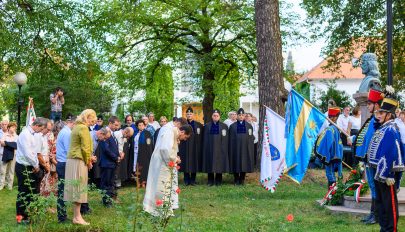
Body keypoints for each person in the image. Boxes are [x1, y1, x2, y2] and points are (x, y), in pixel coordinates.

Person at [367, 94, 404, 232]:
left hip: (386, 174)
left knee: (389, 205)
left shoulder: (391, 129)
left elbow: (390, 152)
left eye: (382, 113)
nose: (379, 115)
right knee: (381, 203)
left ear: (389, 115)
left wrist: (387, 173)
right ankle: (384, 228)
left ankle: (390, 229)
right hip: (378, 172)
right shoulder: (383, 128)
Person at [143, 121, 192, 216]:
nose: (184, 139)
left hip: (162, 160)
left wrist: (175, 157)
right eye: (185, 137)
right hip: (162, 161)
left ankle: (160, 206)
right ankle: (159, 209)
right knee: (161, 185)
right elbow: (165, 149)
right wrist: (174, 160)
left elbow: (170, 149)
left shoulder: (172, 131)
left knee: (162, 184)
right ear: (182, 132)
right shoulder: (169, 131)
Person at [353, 88, 383, 225]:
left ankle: (376, 215)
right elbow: (365, 137)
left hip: (373, 159)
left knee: (374, 186)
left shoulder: (378, 119)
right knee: (372, 186)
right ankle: (372, 214)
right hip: (367, 158)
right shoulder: (372, 119)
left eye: (370, 103)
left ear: (376, 104)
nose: (368, 106)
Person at [64, 109, 96, 225]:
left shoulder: (76, 127)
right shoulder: (83, 128)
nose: (93, 123)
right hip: (78, 161)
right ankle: (77, 217)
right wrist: (89, 161)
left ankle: (76, 216)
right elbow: (85, 148)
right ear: (87, 118)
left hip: (73, 160)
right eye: (92, 120)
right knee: (79, 188)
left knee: (75, 188)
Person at [15, 117, 48, 224]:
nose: (42, 131)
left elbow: (34, 151)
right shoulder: (25, 134)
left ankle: (28, 215)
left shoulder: (34, 134)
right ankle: (20, 218)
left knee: (31, 191)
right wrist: (36, 166)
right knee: (23, 192)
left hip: (31, 166)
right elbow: (28, 154)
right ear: (37, 125)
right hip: (23, 166)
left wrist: (35, 164)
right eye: (42, 128)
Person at [315, 107, 343, 188]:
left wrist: (326, 156)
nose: (329, 118)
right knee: (335, 174)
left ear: (336, 117)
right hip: (336, 154)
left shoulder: (330, 129)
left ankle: (331, 194)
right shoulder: (336, 128)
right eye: (329, 116)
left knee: (330, 174)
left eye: (332, 116)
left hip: (330, 155)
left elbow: (329, 144)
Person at [55, 115, 75, 223]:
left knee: (64, 190)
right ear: (73, 123)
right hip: (64, 164)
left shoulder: (64, 131)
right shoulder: (67, 133)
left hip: (62, 163)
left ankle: (62, 215)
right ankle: (62, 217)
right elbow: (70, 151)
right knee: (63, 191)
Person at [99, 116, 122, 207]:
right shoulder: (104, 132)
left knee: (110, 182)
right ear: (110, 123)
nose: (117, 127)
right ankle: (106, 201)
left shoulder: (112, 133)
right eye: (115, 125)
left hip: (111, 163)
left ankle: (109, 199)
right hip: (107, 163)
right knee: (106, 183)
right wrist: (115, 158)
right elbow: (106, 149)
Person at [202, 109, 229, 186]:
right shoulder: (207, 126)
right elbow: (205, 138)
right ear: (212, 116)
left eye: (217, 116)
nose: (215, 117)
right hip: (210, 149)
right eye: (214, 115)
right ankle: (210, 181)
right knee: (210, 164)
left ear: (219, 117)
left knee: (219, 165)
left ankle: (218, 181)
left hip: (220, 149)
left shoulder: (224, 126)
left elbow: (226, 139)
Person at [228, 108, 254, 185]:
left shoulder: (249, 126)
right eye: (239, 115)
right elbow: (230, 139)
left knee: (244, 164)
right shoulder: (232, 126)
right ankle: (236, 179)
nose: (241, 116)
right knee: (235, 163)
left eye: (242, 115)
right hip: (235, 148)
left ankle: (242, 179)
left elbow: (250, 138)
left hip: (245, 149)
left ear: (244, 116)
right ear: (237, 116)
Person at [179, 107, 203, 186]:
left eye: (190, 114)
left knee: (194, 163)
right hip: (185, 147)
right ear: (186, 114)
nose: (189, 115)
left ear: (193, 114)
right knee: (185, 163)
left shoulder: (198, 125)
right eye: (188, 114)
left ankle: (193, 180)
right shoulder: (183, 125)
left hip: (194, 147)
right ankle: (186, 180)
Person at [133, 120, 154, 188]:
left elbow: (149, 144)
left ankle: (144, 182)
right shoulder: (136, 134)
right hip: (137, 153)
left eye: (142, 125)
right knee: (138, 167)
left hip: (145, 153)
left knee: (145, 167)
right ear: (137, 126)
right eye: (139, 125)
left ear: (144, 125)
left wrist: (149, 153)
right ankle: (139, 181)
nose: (141, 126)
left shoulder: (147, 133)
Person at [35, 120, 53, 193]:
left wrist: (47, 162)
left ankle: (39, 198)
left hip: (45, 163)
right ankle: (35, 200)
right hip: (39, 163)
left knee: (42, 183)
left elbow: (46, 151)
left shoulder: (45, 136)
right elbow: (38, 154)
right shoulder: (38, 136)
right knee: (37, 184)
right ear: (43, 127)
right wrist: (45, 165)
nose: (48, 132)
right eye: (48, 129)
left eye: (50, 130)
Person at [0, 122, 18, 190]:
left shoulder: (16, 136)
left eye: (15, 127)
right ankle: (2, 184)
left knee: (11, 170)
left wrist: (7, 143)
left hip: (13, 155)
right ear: (9, 128)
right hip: (4, 155)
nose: (14, 128)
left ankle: (9, 185)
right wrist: (11, 144)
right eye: (13, 127)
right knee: (3, 170)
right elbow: (2, 143)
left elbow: (16, 146)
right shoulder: (4, 135)